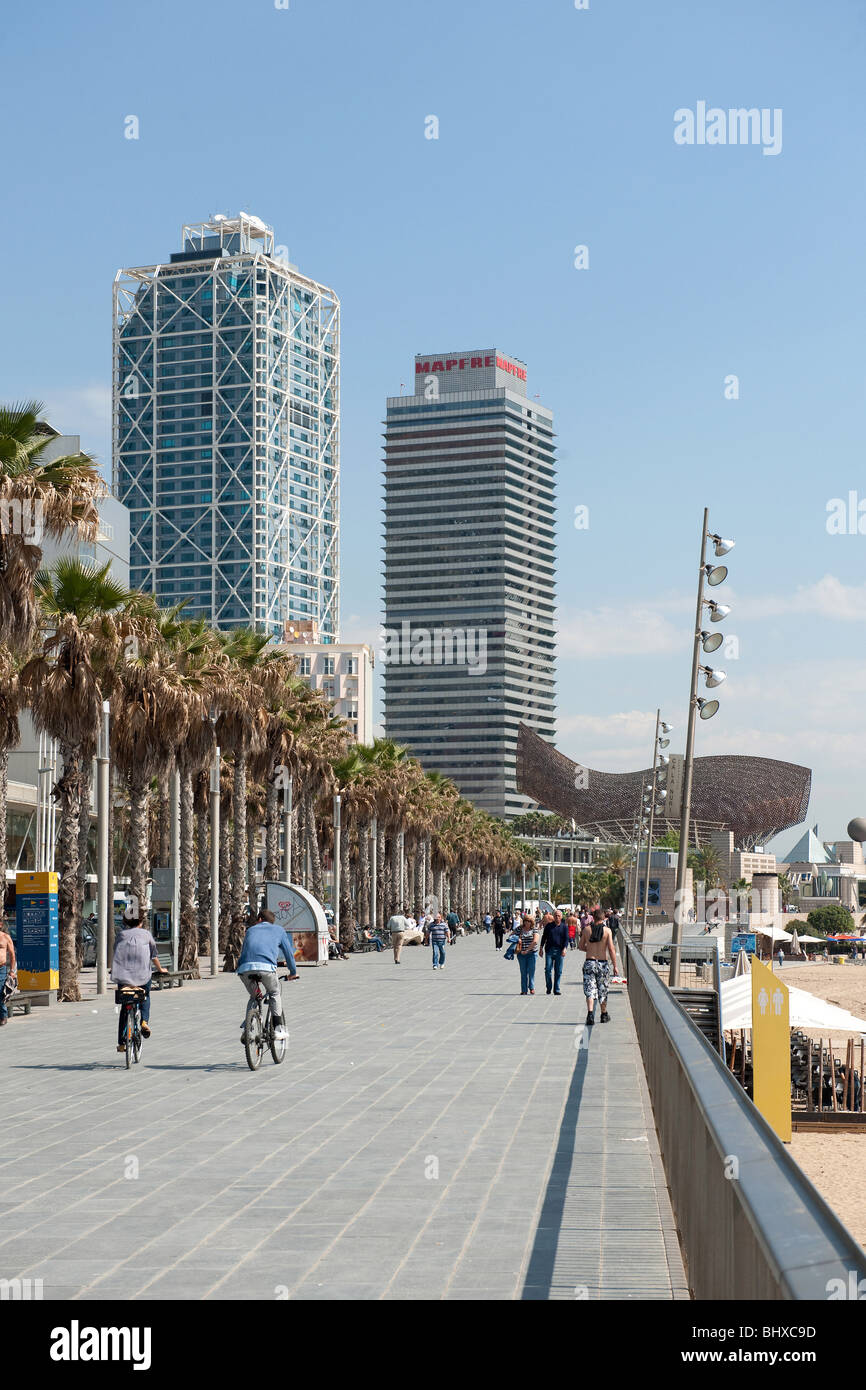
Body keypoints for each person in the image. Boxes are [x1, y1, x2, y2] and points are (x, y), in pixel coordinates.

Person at [236, 908, 299, 1043]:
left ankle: (248, 1030)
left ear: (259, 920)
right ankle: (278, 1029)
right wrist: (293, 972)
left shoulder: (251, 930)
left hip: (245, 969)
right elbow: (289, 954)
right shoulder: (279, 930)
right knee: (274, 992)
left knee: (254, 996)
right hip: (266, 969)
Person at [110, 905, 168, 1050]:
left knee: (125, 1005)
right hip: (142, 976)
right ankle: (144, 1021)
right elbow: (153, 955)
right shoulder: (146, 935)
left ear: (125, 921)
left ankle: (122, 1043)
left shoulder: (121, 935)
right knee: (145, 996)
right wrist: (160, 969)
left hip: (122, 977)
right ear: (141, 921)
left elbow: (115, 951)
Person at [579, 907, 618, 1025]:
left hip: (589, 962)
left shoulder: (586, 930)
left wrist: (589, 949)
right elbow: (611, 949)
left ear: (593, 917)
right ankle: (603, 1014)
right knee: (603, 989)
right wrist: (615, 966)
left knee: (590, 989)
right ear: (603, 918)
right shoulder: (607, 931)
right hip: (602, 963)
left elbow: (580, 946)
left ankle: (590, 1014)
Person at [540, 909, 568, 995]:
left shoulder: (564, 927)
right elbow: (544, 937)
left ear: (561, 917)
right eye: (555, 915)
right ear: (553, 916)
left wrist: (565, 948)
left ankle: (557, 989)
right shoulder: (549, 926)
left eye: (559, 916)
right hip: (549, 950)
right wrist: (541, 948)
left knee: (558, 971)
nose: (557, 917)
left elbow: (566, 939)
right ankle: (549, 987)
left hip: (560, 951)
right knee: (548, 969)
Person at [516, 914, 539, 995]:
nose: (527, 922)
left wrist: (527, 950)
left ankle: (531, 987)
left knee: (531, 971)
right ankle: (524, 989)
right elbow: (510, 937)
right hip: (521, 954)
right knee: (523, 972)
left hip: (532, 953)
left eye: (529, 921)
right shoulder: (519, 929)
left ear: (532, 922)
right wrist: (517, 938)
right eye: (526, 921)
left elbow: (535, 941)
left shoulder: (534, 929)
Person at [0, 921, 16, 1026]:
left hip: (1, 968)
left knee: (0, 991)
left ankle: (3, 1015)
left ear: (0, 924)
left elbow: (12, 955)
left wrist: (11, 971)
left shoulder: (5, 937)